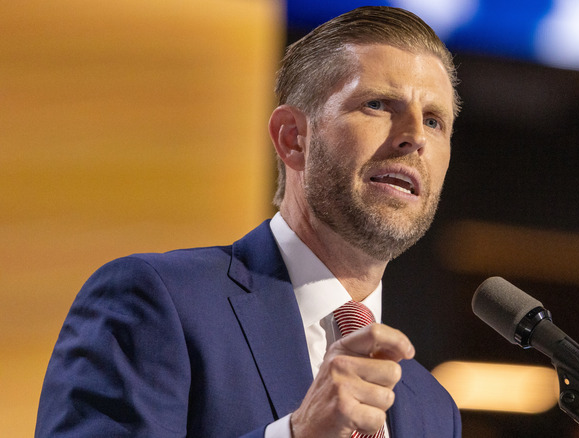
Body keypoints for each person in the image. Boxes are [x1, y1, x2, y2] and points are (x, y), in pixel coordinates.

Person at [35, 6, 462, 437]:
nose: (416, 137)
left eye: (434, 120)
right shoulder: (157, 302)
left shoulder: (434, 409)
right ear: (293, 138)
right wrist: (296, 434)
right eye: (377, 105)